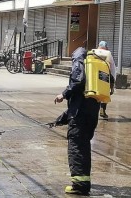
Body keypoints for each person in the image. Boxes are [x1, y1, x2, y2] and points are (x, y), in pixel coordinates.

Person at [52, 47, 100, 195]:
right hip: (90, 116)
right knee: (83, 149)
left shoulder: (80, 61)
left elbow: (77, 80)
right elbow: (81, 103)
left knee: (76, 149)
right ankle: (83, 183)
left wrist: (63, 94)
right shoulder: (93, 77)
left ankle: (79, 186)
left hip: (80, 117)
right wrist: (63, 118)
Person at [97, 41, 116, 119]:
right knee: (105, 94)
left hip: (95, 77)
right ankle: (102, 109)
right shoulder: (108, 54)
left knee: (95, 94)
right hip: (105, 77)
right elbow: (113, 69)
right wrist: (112, 85)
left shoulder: (93, 53)